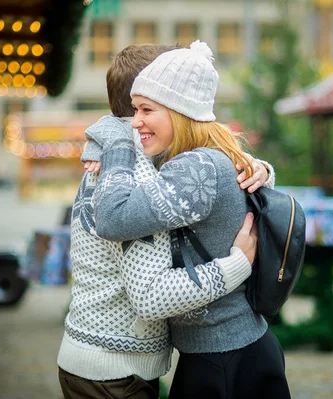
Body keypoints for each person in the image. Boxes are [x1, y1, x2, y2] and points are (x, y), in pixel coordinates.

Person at [57, 43, 275, 399]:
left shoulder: (124, 162)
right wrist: (237, 265)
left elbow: (214, 170)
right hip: (113, 370)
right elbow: (151, 295)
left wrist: (260, 170)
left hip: (98, 359)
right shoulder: (135, 174)